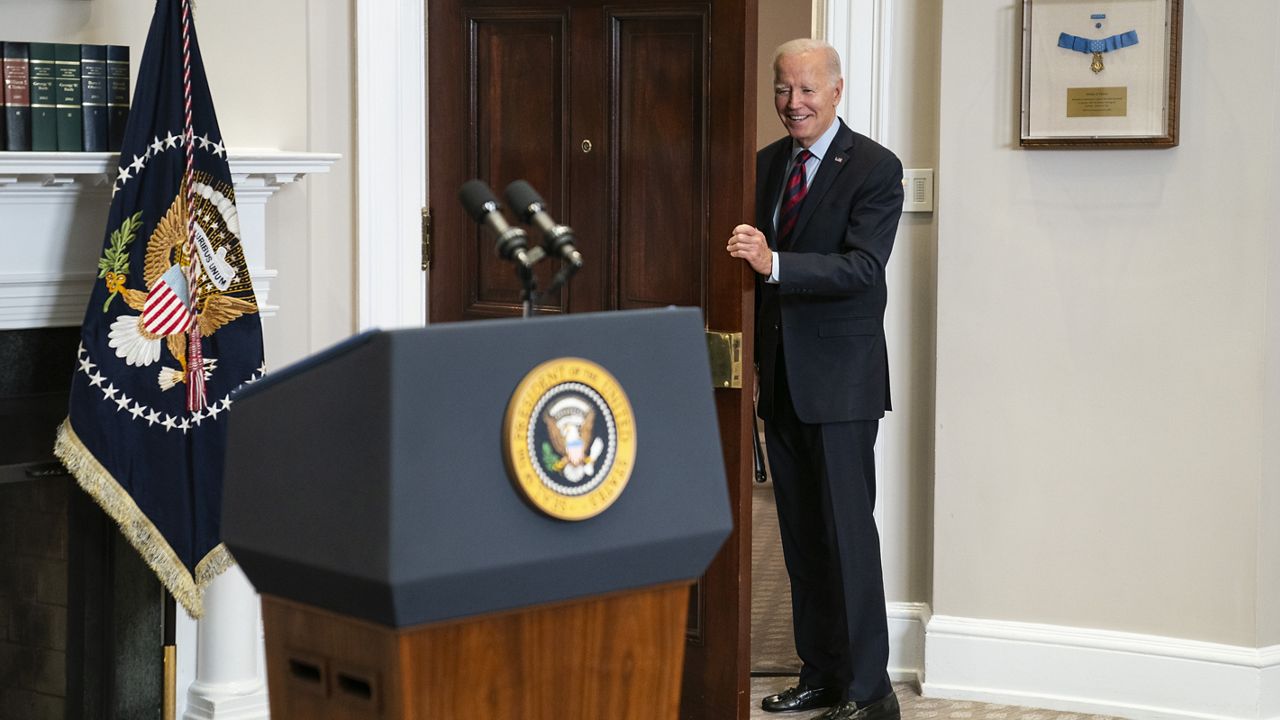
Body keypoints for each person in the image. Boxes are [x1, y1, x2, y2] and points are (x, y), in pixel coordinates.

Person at [727, 38, 903, 720]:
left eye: (805, 90)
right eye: (782, 89)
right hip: (783, 383)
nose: (792, 103)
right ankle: (822, 674)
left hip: (842, 384)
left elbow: (864, 268)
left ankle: (870, 692)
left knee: (846, 537)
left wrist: (776, 264)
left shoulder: (876, 168)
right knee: (800, 539)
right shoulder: (766, 166)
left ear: (836, 91)